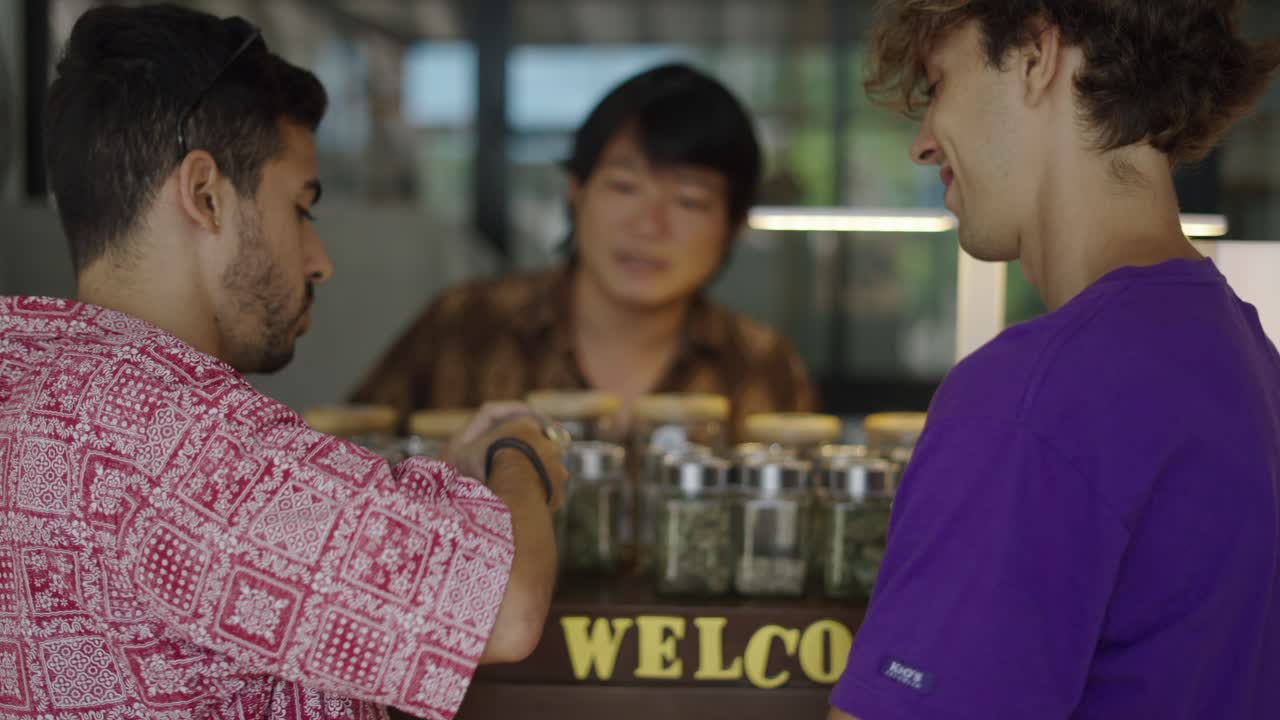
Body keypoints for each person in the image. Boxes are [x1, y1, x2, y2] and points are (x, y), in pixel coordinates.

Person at [1, 5, 567, 719]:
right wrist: (515, 453)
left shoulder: (28, 373)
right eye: (302, 208)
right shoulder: (165, 433)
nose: (319, 261)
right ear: (205, 194)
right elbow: (506, 608)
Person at [827, 2, 1280, 719]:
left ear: (1037, 55)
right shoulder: (1246, 360)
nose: (921, 143)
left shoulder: (1032, 398)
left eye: (939, 83)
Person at [351, 63, 817, 436]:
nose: (649, 224)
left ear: (734, 225)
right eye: (624, 186)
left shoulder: (762, 366)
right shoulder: (464, 327)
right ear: (576, 193)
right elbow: (334, 473)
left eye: (690, 201)